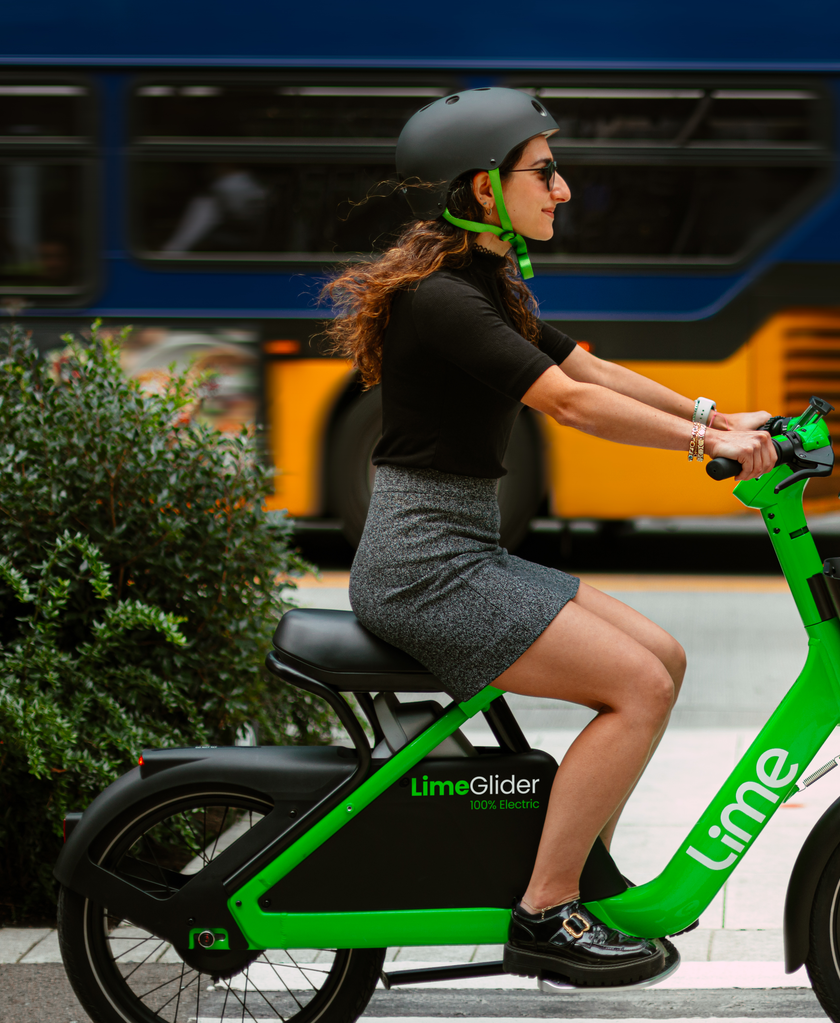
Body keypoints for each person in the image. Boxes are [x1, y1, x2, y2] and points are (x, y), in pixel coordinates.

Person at [321, 87, 777, 988]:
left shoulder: (488, 283)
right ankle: (545, 911)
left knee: (664, 657)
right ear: (483, 190)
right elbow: (568, 403)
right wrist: (704, 445)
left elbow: (586, 365)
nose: (563, 189)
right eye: (545, 171)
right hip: (423, 570)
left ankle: (576, 880)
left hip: (461, 550)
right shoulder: (441, 300)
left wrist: (715, 410)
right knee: (637, 688)